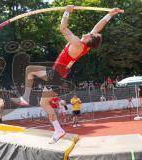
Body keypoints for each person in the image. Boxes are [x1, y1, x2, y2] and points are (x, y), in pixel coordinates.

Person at [11, 5, 124, 143]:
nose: (88, 32)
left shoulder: (77, 43)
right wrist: (110, 15)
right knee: (40, 94)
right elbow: (97, 28)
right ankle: (57, 128)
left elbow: (63, 28)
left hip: (56, 76)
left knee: (37, 88)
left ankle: (51, 123)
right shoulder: (85, 44)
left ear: (89, 40)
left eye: (90, 34)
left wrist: (66, 12)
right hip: (58, 75)